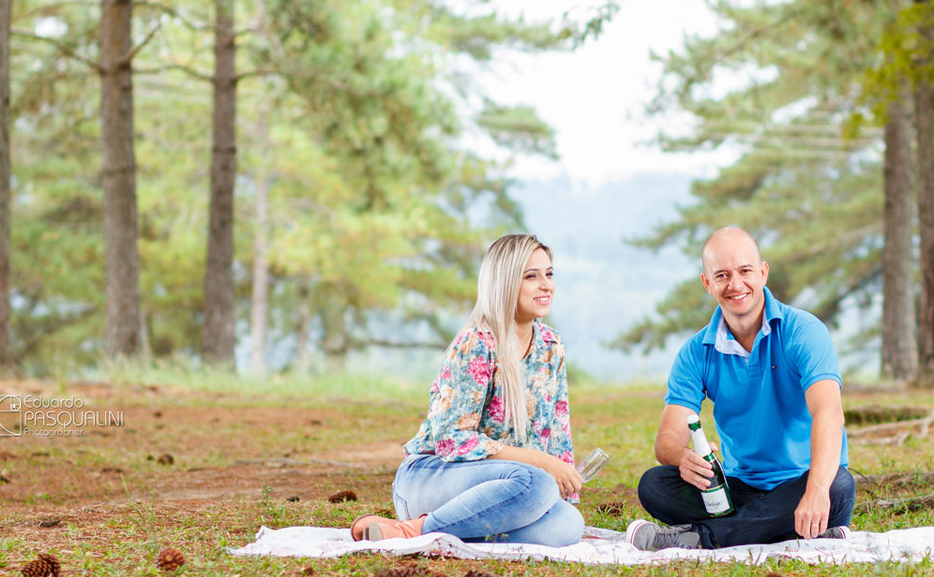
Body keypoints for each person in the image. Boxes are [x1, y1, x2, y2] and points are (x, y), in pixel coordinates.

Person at [625, 226, 855, 550]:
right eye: (722, 275)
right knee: (654, 485)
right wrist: (682, 457)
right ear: (708, 283)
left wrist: (816, 490)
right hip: (737, 487)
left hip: (803, 484)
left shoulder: (804, 331)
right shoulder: (695, 352)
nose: (735, 285)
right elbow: (667, 439)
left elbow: (829, 412)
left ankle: (701, 539)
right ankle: (784, 529)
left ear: (762, 273)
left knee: (838, 484)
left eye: (745, 271)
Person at [351, 233, 585, 547]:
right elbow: (451, 440)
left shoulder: (551, 347)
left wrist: (560, 483)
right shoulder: (477, 343)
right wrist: (540, 464)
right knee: (535, 481)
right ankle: (416, 529)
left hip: (508, 489)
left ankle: (453, 527)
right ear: (504, 282)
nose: (546, 285)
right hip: (433, 477)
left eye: (549, 274)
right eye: (531, 276)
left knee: (568, 525)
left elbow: (558, 434)